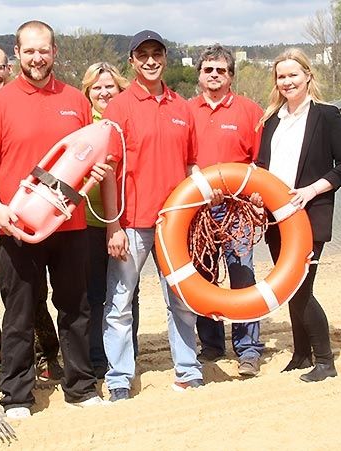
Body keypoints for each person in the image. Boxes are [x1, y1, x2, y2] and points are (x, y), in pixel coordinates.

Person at [0, 20, 111, 418]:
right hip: (18, 225)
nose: (36, 57)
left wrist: (95, 174)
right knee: (19, 312)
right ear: (17, 54)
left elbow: (87, 156)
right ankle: (17, 395)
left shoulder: (76, 100)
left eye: (43, 50)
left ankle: (81, 388)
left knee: (75, 308)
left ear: (54, 52)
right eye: (29, 50)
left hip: (71, 225)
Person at [101, 30, 202, 401]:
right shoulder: (119, 108)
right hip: (131, 224)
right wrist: (113, 225)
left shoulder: (182, 107)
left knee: (180, 299)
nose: (150, 60)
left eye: (156, 53)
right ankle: (119, 379)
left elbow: (192, 165)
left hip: (175, 224)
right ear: (132, 61)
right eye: (142, 54)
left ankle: (188, 371)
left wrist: (197, 218)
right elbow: (108, 170)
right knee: (120, 304)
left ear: (165, 58)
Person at [0, 45, 63, 386]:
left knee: (32, 295)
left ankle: (45, 354)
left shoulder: (25, 101)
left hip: (28, 217)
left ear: (9, 67)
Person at [256, 48, 341, 382]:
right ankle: (301, 355)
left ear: (307, 75)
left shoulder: (327, 115)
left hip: (310, 214)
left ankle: (325, 361)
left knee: (300, 288)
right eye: (281, 76)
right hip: (275, 218)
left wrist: (311, 191)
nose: (287, 82)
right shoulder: (272, 120)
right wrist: (257, 196)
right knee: (289, 288)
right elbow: (261, 167)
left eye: (293, 75)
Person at [188, 44, 265, 376]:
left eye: (221, 70)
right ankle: (212, 345)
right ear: (200, 75)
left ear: (231, 75)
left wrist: (260, 201)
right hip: (198, 211)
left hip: (237, 211)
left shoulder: (250, 111)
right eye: (208, 69)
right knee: (204, 277)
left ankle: (248, 349)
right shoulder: (186, 110)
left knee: (242, 277)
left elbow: (260, 164)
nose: (214, 75)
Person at [80, 62, 141, 379]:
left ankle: (128, 352)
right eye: (96, 87)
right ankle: (96, 356)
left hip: (128, 218)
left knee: (127, 291)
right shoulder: (82, 125)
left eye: (109, 87)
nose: (104, 92)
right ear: (88, 92)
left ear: (120, 89)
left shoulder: (129, 118)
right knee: (94, 293)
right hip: (91, 219)